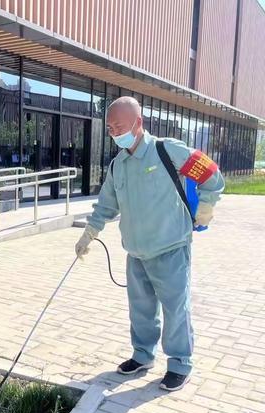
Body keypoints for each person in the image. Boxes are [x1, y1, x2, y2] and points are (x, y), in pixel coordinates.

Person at [75, 97, 224, 391]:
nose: (115, 132)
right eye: (110, 127)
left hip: (170, 249)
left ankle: (180, 362)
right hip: (136, 253)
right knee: (140, 310)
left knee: (175, 309)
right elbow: (106, 205)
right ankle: (143, 355)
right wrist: (89, 234)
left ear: (138, 123)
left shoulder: (167, 150)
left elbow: (211, 175)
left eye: (120, 126)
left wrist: (206, 206)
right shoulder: (118, 166)